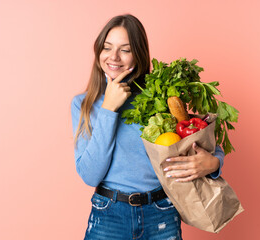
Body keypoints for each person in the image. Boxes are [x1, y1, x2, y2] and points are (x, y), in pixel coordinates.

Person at [71, 14, 225, 240]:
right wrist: (108, 109)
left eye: (125, 49)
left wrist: (214, 163)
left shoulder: (158, 97)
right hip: (108, 216)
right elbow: (90, 176)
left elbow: (197, 136)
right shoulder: (84, 104)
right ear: (98, 52)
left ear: (138, 55)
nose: (114, 57)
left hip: (161, 213)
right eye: (107, 47)